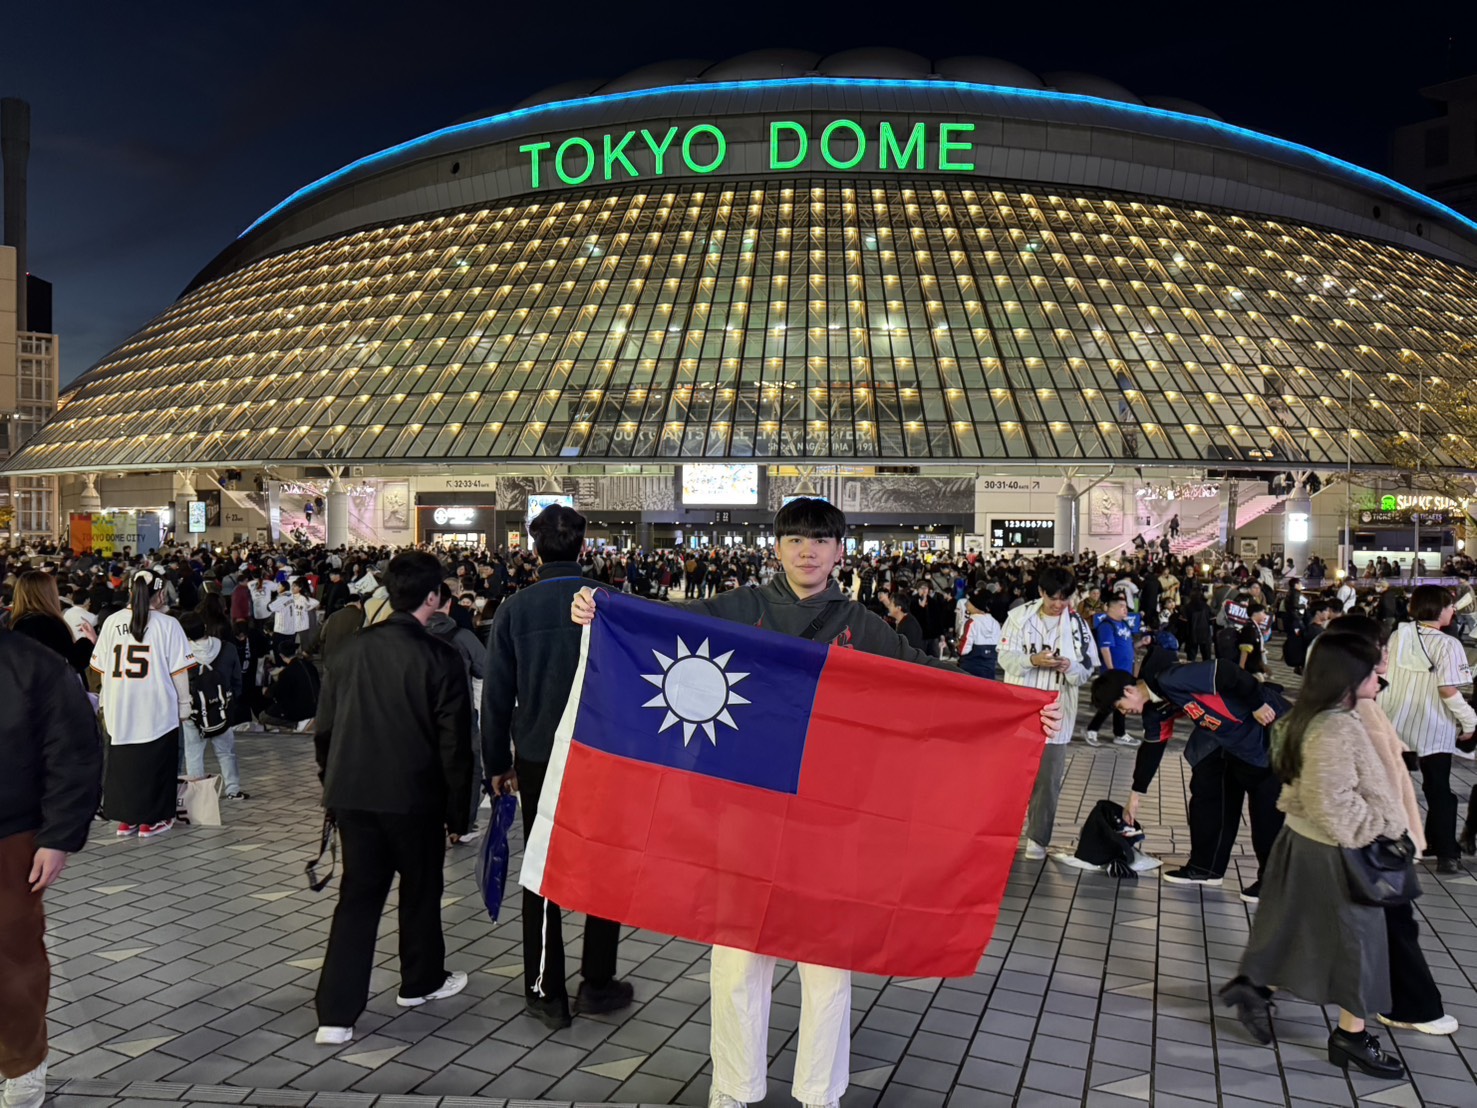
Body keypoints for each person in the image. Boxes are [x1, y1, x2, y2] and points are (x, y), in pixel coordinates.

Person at [571, 502, 1061, 1108]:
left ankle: (818, 1094)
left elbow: (929, 681)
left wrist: (1017, 705)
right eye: (796, 539)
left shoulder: (863, 623)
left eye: (821, 541)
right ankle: (734, 1091)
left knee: (827, 961)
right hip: (745, 812)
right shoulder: (738, 609)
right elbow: (655, 623)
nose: (808, 551)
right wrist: (598, 606)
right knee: (738, 959)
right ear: (776, 546)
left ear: (839, 551)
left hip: (830, 818)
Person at [1217, 634, 1409, 1078]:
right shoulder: (1334, 726)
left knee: (1288, 925)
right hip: (1336, 849)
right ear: (1347, 676)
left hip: (1303, 841)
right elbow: (1332, 801)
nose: (1381, 675)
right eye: (1373, 668)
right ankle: (1352, 1036)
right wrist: (1379, 832)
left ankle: (1253, 987)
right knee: (1360, 944)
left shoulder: (1308, 715)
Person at [312, 551, 473, 1045]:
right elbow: (456, 745)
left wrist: (332, 786)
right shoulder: (442, 658)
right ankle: (419, 982)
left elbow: (325, 732)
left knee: (357, 898)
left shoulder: (348, 652)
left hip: (354, 796)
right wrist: (457, 813)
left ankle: (335, 1016)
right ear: (433, 598)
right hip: (415, 799)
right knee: (421, 890)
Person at [483, 505, 634, 1031]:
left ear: (534, 547)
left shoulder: (515, 610)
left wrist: (497, 765)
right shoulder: (611, 603)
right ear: (584, 546)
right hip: (603, 753)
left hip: (538, 754)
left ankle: (546, 990)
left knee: (543, 864)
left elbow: (496, 697)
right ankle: (597, 981)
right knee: (604, 862)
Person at [0, 629, 103, 1108]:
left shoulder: (33, 665)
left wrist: (59, 835)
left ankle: (22, 1062)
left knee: (12, 957)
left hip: (12, 834)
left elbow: (74, 749)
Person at [1092, 654, 1286, 899]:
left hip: (1271, 728)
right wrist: (1135, 796)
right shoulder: (1154, 710)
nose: (1125, 712)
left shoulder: (1173, 677)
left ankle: (1273, 882)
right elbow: (1152, 747)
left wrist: (1257, 703)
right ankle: (1206, 868)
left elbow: (1226, 671)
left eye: (1120, 707)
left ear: (1129, 690)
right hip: (1231, 742)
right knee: (1208, 789)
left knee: (1266, 810)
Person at [999, 565, 1097, 859]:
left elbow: (1087, 669)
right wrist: (1032, 660)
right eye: (1053, 597)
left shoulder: (1078, 626)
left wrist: (1070, 667)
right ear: (1041, 592)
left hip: (1057, 710)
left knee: (1048, 779)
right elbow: (1005, 657)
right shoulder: (1018, 618)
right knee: (1013, 776)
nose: (1058, 605)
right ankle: (1003, 832)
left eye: (1064, 598)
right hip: (1021, 707)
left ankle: (1038, 839)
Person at [90, 570, 195, 839]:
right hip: (156, 706)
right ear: (160, 594)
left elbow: (99, 667)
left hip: (119, 706)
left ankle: (127, 821)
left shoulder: (112, 622)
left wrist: (104, 699)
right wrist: (184, 705)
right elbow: (179, 671)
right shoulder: (168, 624)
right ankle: (152, 821)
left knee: (124, 765)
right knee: (156, 764)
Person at [1379, 585, 1474, 875]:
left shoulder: (1398, 636)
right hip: (1433, 727)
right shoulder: (1448, 645)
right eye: (1450, 606)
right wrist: (1469, 721)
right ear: (1438, 609)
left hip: (1396, 724)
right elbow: (1448, 690)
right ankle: (1445, 851)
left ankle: (1393, 844)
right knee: (1439, 791)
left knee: (1395, 788)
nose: (1453, 610)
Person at [428, 583, 485, 846]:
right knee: (469, 765)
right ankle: (460, 826)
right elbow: (486, 669)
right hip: (458, 714)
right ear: (449, 605)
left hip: (419, 714)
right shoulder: (462, 637)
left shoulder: (409, 635)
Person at [177, 611, 248, 801]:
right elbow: (237, 681)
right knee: (226, 752)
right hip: (221, 710)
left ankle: (199, 796)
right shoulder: (228, 648)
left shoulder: (182, 654)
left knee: (194, 753)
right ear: (205, 627)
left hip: (193, 712)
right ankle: (233, 790)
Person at [1084, 593, 1143, 748]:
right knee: (1110, 703)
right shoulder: (1106, 626)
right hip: (1114, 673)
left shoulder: (1125, 625)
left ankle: (1120, 733)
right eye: (1121, 607)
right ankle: (1092, 730)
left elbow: (1128, 647)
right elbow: (1105, 649)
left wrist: (1141, 643)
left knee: (1122, 704)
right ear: (1110, 608)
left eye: (1126, 607)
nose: (1125, 610)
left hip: (1126, 672)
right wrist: (1111, 671)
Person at [9, 571, 93, 676]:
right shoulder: (48, 624)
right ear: (49, 593)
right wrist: (88, 641)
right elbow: (69, 663)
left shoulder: (15, 624)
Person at [956, 588, 1002, 680]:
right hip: (989, 667)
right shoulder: (995, 623)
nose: (966, 604)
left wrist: (957, 646)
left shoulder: (972, 622)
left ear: (976, 606)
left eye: (969, 602)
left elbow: (964, 649)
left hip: (971, 667)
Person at [880, 586, 924, 651]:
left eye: (891, 605)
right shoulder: (901, 620)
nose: (889, 607)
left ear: (898, 608)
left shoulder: (910, 626)